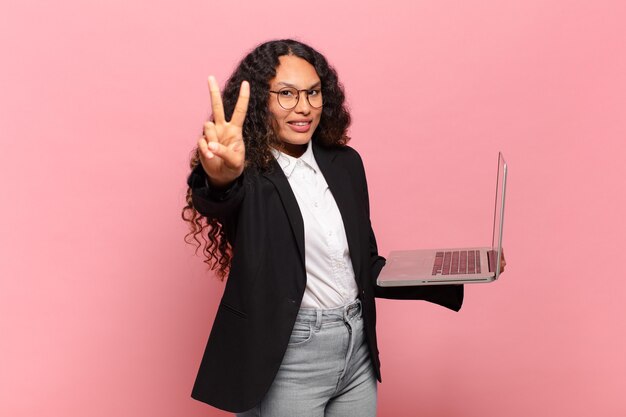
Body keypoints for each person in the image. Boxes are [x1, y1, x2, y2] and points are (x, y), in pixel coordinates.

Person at [182, 39, 467, 416]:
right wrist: (220, 176)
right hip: (289, 355)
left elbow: (364, 265)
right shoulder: (247, 175)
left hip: (357, 350)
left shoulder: (346, 164)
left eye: (312, 93)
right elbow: (218, 199)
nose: (303, 107)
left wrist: (453, 273)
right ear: (259, 102)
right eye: (286, 94)